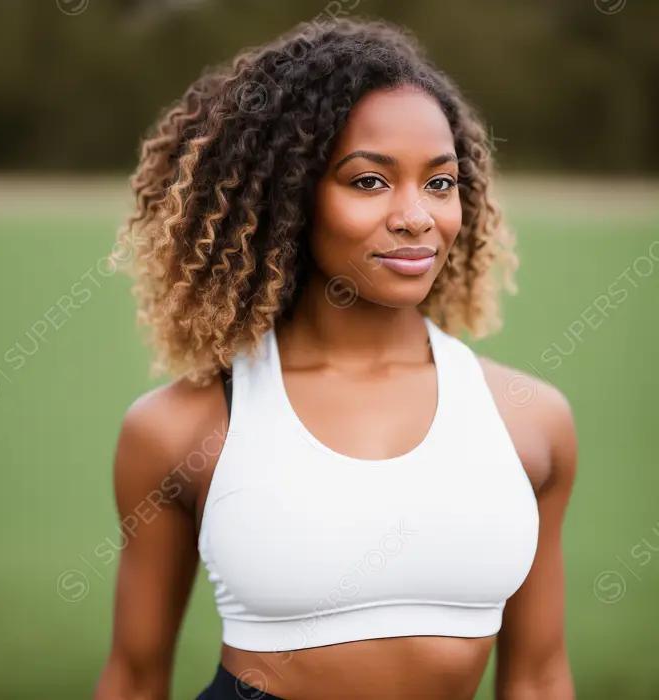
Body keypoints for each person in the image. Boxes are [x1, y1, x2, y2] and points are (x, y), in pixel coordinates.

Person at [94, 16, 578, 700]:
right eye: (369, 182)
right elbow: (135, 680)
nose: (416, 216)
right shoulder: (178, 429)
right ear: (287, 200)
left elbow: (538, 679)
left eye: (439, 183)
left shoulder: (531, 424)